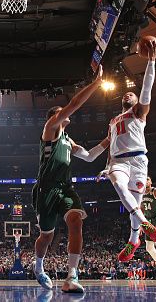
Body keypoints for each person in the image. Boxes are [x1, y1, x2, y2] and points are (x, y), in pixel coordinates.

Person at [33, 65, 110, 293]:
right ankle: (38, 267)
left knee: (76, 220)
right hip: (46, 190)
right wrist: (96, 83)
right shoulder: (50, 129)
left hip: (65, 188)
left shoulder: (68, 140)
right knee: (47, 236)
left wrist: (108, 139)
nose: (64, 114)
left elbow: (89, 157)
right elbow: (74, 105)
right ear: (55, 117)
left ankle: (71, 276)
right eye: (60, 112)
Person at [97, 41, 156, 262]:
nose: (128, 95)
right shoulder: (113, 120)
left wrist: (151, 62)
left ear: (137, 102)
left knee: (133, 203)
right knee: (117, 183)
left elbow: (146, 89)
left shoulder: (139, 112)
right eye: (125, 95)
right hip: (118, 162)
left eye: (131, 95)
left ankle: (134, 240)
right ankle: (145, 225)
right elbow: (111, 146)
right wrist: (106, 167)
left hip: (138, 161)